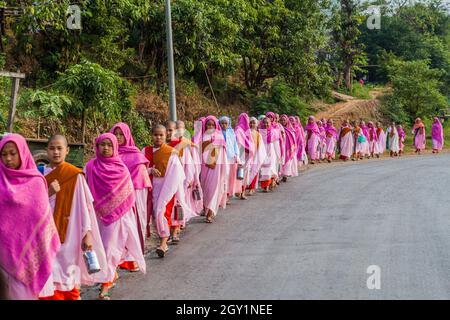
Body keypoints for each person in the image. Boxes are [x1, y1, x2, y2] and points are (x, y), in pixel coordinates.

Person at [39, 135, 108, 300]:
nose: (56, 152)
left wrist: (88, 233)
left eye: (59, 148)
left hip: (69, 233)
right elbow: (32, 205)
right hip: (44, 233)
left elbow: (85, 207)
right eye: (52, 148)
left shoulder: (75, 175)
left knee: (68, 273)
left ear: (67, 150)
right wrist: (47, 192)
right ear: (46, 150)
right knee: (48, 274)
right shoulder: (39, 175)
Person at [85, 133, 146, 300]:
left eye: (109, 145)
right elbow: (84, 188)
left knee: (109, 249)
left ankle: (106, 284)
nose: (105, 148)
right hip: (97, 215)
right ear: (96, 147)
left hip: (118, 217)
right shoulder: (90, 167)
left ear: (115, 148)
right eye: (102, 145)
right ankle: (109, 276)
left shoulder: (121, 168)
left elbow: (128, 194)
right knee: (100, 248)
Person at [0, 133, 60, 300]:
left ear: (22, 153)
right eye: (3, 154)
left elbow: (41, 217)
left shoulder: (36, 181)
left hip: (28, 253)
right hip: (2, 255)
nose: (8, 159)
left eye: (13, 153)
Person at [143, 125, 190, 255]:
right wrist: (150, 170)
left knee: (162, 212)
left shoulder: (171, 152)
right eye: (155, 135)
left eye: (161, 135)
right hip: (150, 189)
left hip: (166, 188)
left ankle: (163, 243)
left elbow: (176, 173)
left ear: (166, 136)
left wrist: (169, 189)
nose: (158, 137)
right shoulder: (145, 151)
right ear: (151, 135)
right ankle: (163, 238)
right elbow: (139, 170)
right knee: (154, 215)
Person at [110, 123, 151, 272]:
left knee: (133, 226)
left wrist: (130, 195)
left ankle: (132, 259)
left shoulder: (136, 156)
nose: (118, 138)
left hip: (134, 194)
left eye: (121, 134)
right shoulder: (109, 154)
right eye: (116, 134)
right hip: (113, 198)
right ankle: (119, 259)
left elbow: (140, 178)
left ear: (127, 135)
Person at [198, 116, 228, 223]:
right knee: (205, 188)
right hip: (204, 167)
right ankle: (206, 208)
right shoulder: (202, 136)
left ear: (216, 125)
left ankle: (210, 213)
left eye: (212, 125)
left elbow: (223, 153)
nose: (210, 126)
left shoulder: (219, 136)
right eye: (208, 124)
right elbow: (198, 152)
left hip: (216, 168)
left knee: (213, 189)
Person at [219, 116, 241, 201]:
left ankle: (227, 194)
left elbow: (235, 144)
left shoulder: (231, 132)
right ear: (219, 124)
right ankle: (222, 196)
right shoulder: (218, 133)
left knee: (229, 176)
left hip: (231, 157)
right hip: (222, 157)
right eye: (222, 123)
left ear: (229, 124)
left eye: (226, 123)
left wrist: (237, 155)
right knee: (223, 176)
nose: (224, 125)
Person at [234, 113, 256, 198]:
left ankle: (241, 191)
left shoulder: (240, 129)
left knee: (241, 173)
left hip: (241, 152)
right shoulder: (242, 130)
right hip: (242, 152)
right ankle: (240, 191)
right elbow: (247, 143)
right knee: (242, 172)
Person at [246, 117, 267, 195]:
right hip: (247, 155)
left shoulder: (258, 134)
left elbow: (260, 145)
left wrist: (257, 154)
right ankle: (246, 187)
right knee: (247, 172)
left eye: (253, 123)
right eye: (250, 123)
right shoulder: (246, 132)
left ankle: (251, 188)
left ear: (257, 124)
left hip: (255, 155)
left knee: (254, 171)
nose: (252, 124)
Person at [259, 116, 280, 192]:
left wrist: (278, 154)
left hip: (271, 151)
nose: (266, 124)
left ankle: (270, 183)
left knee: (271, 168)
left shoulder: (274, 132)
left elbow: (276, 144)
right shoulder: (260, 131)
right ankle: (265, 186)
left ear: (270, 123)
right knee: (264, 168)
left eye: (267, 123)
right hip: (263, 151)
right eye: (264, 123)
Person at [279, 114, 298, 181]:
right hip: (281, 147)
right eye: (281, 120)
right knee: (281, 160)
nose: (282, 121)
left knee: (288, 161)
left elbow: (293, 139)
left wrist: (293, 147)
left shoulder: (291, 129)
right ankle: (281, 173)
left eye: (284, 120)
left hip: (289, 147)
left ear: (287, 121)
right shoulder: (278, 128)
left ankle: (285, 175)